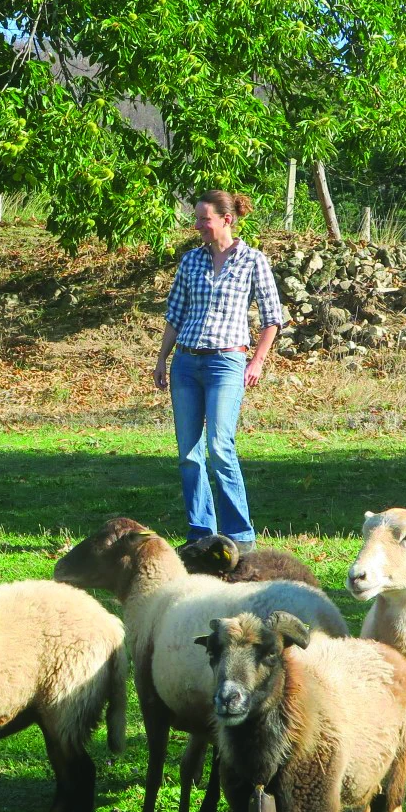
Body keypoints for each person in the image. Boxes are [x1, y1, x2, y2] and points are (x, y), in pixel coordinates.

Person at [152, 190, 286, 552]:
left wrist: (256, 360)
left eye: (204, 220)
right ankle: (201, 534)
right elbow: (175, 315)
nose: (198, 226)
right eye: (197, 219)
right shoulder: (191, 261)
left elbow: (273, 318)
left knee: (220, 446)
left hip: (227, 362)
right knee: (188, 453)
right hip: (186, 362)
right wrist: (162, 359)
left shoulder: (253, 261)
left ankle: (240, 536)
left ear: (227, 220)